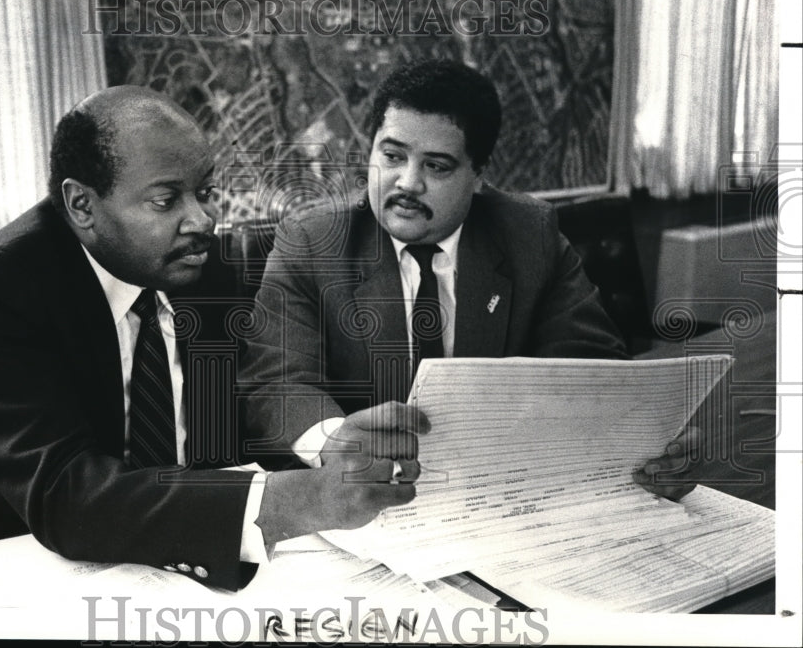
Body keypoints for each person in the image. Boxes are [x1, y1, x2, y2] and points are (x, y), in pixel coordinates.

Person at [0, 86, 428, 591]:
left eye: (205, 192)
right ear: (81, 206)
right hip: (3, 554)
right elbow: (64, 494)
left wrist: (326, 442)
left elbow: (239, 413)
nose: (203, 220)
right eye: (167, 201)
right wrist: (296, 502)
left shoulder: (200, 270)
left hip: (167, 560)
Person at [239, 59, 698, 501]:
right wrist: (335, 441)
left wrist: (647, 443)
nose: (407, 183)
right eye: (392, 155)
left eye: (436, 166)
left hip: (498, 496)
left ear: (479, 175)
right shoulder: (313, 242)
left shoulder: (529, 234)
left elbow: (590, 371)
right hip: (364, 504)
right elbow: (276, 384)